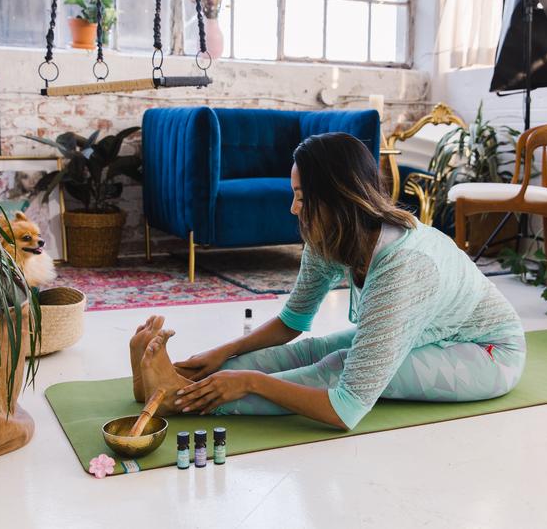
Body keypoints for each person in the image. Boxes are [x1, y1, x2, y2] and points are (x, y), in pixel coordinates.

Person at [130, 132, 526, 431]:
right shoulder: (331, 236)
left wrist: (250, 382)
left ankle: (176, 399)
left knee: (337, 366)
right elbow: (292, 324)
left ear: (340, 198)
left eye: (302, 197)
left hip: (485, 353)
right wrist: (223, 353)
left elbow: (346, 408)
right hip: (427, 334)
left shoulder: (406, 266)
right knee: (313, 349)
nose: (293, 208)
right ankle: (178, 382)